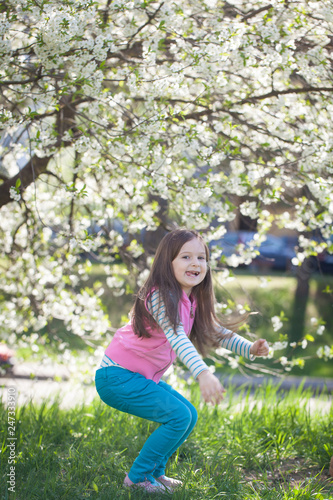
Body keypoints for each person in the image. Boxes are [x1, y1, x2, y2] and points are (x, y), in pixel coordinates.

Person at [95, 228, 269, 493]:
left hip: (135, 378)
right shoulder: (158, 296)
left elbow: (216, 331)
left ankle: (156, 473)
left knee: (188, 415)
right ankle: (137, 479)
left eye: (201, 257)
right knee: (177, 415)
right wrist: (203, 373)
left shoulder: (191, 300)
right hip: (116, 377)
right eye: (186, 257)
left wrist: (250, 348)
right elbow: (177, 336)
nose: (196, 263)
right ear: (168, 262)